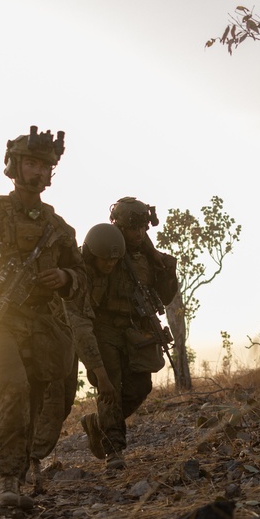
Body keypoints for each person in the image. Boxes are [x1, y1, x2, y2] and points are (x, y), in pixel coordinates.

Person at [0, 125, 86, 510]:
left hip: (42, 321)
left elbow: (83, 275)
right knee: (13, 385)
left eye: (45, 166)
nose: (38, 172)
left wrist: (65, 277)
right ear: (14, 166)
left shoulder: (58, 228)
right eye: (31, 163)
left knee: (46, 393)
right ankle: (7, 481)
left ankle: (25, 469)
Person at [80, 197, 179, 470]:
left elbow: (164, 296)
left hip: (136, 330)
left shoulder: (147, 256)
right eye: (133, 228)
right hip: (105, 327)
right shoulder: (106, 248)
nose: (138, 234)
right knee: (110, 387)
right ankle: (114, 451)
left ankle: (97, 424)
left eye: (143, 229)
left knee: (140, 387)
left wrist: (165, 268)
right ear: (120, 226)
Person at [26, 222, 125, 490]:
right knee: (53, 401)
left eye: (114, 260)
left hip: (64, 339)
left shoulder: (103, 274)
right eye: (105, 259)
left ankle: (27, 458)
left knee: (66, 400)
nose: (110, 264)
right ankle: (27, 462)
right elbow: (80, 328)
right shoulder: (79, 273)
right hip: (50, 337)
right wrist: (101, 374)